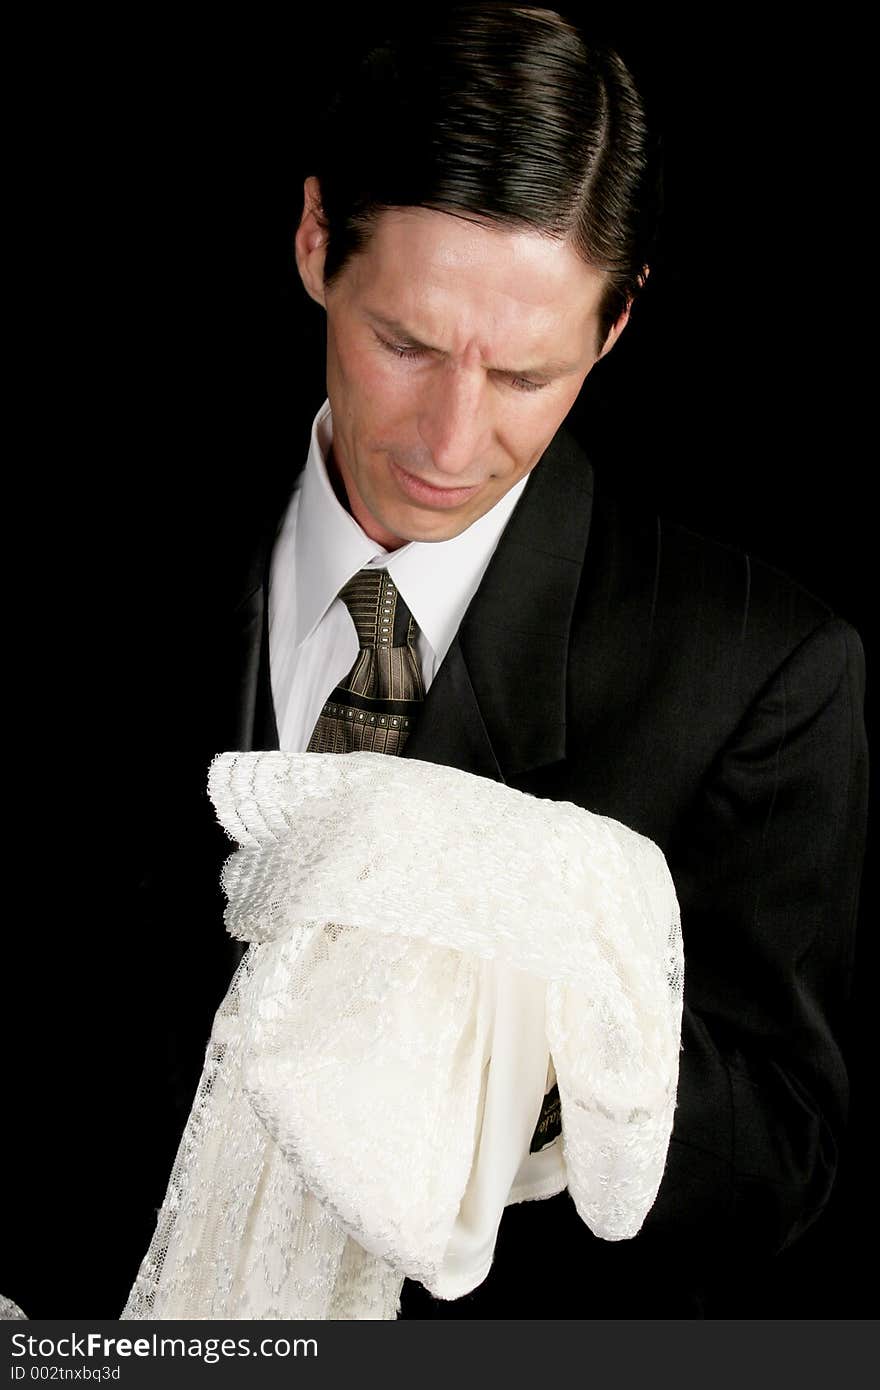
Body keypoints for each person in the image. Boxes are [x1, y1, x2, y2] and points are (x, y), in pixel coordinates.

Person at [134, 3, 867, 1319]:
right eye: (404, 343)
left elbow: (781, 1169)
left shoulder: (762, 667)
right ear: (314, 241)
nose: (449, 436)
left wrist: (538, 1011)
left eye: (526, 372)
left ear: (618, 325)